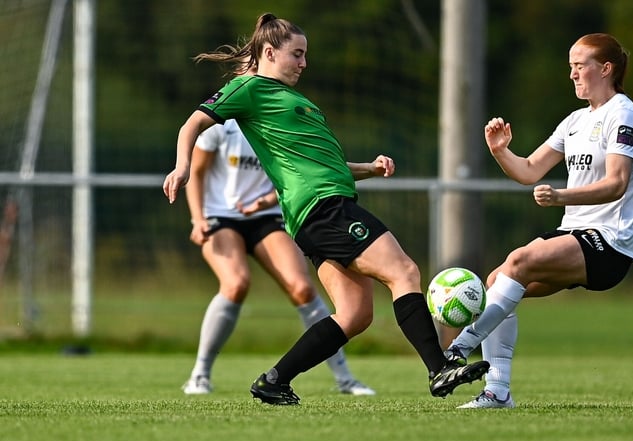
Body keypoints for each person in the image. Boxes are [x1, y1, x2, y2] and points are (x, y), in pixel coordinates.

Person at [163, 12, 489, 405]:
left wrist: (368, 168)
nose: (304, 63)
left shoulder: (296, 100)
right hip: (323, 208)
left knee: (355, 314)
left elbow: (325, 165)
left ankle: (274, 380)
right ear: (269, 52)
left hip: (321, 210)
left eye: (305, 55)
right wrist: (182, 166)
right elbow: (192, 124)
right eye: (296, 54)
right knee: (404, 271)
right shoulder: (249, 87)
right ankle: (439, 369)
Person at [444, 33, 633, 408]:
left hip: (610, 244)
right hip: (575, 236)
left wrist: (561, 197)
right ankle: (497, 391)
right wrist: (500, 152)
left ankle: (457, 348)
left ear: (606, 68)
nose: (571, 74)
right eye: (570, 66)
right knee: (497, 280)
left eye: (579, 65)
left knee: (519, 262)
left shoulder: (624, 114)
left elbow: (617, 183)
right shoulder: (574, 121)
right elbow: (528, 170)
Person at [181, 118, 375, 397]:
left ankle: (345, 378)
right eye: (250, 70)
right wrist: (198, 219)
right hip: (220, 217)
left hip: (267, 218)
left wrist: (265, 202)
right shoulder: (220, 125)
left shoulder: (279, 122)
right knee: (236, 283)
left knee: (302, 288)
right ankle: (199, 375)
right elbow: (197, 172)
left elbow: (298, 172)